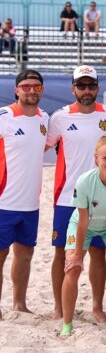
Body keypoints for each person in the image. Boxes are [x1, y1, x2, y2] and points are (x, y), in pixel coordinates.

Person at [47, 65, 106, 321]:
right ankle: (60, 307)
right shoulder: (59, 118)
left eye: (91, 85)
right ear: (73, 89)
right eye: (81, 86)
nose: (86, 90)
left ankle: (97, 306)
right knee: (62, 252)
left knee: (97, 252)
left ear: (97, 88)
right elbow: (41, 146)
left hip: (102, 197)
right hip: (67, 197)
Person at [59, 136, 106, 339]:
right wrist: (76, 255)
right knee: (73, 268)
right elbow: (83, 221)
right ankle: (67, 324)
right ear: (96, 159)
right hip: (84, 226)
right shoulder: (85, 181)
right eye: (105, 158)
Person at [0, 70, 49, 320]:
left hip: (30, 202)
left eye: (36, 86)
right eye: (26, 86)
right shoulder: (4, 116)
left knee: (25, 254)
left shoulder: (44, 118)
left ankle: (19, 303)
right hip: (3, 201)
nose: (31, 90)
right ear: (17, 90)